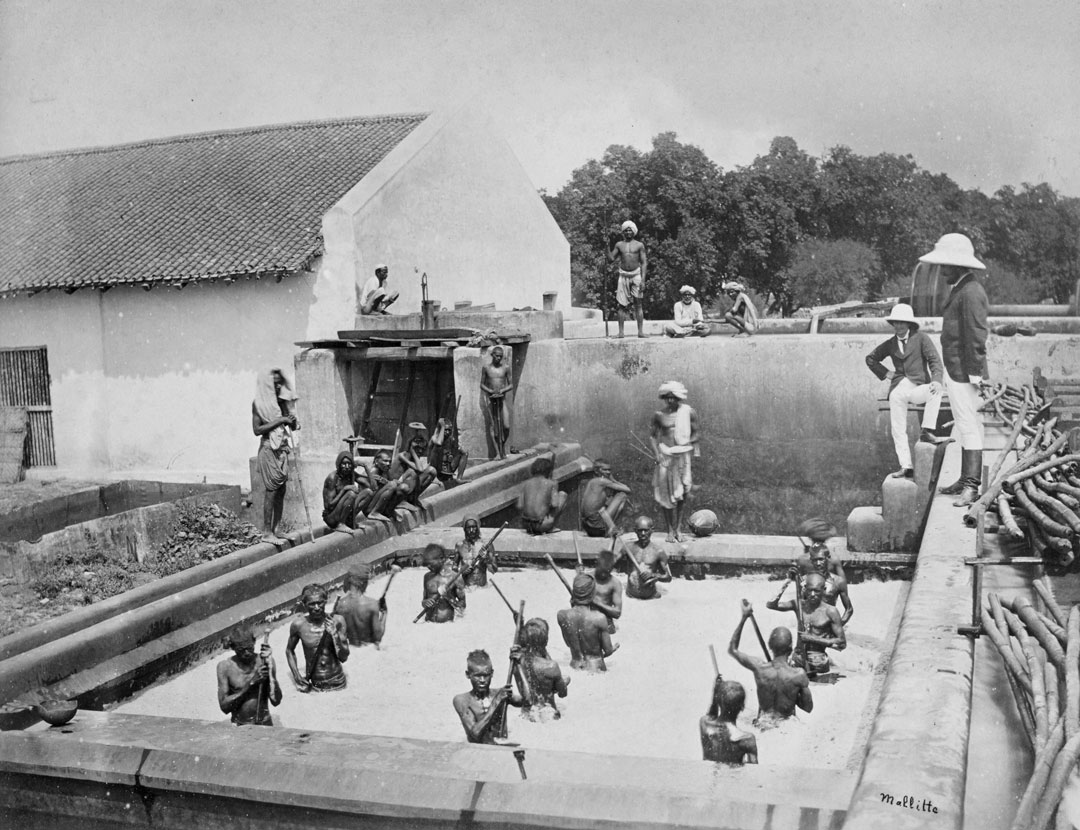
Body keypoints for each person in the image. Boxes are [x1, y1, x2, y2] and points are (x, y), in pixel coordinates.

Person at [921, 233, 990, 507]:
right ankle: (965, 478)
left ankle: (972, 486)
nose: (941, 270)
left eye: (945, 265)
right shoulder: (962, 288)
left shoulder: (971, 292)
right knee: (963, 425)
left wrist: (976, 376)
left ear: (959, 265)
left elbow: (976, 337)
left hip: (965, 372)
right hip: (956, 369)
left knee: (970, 426)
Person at [865, 303, 950, 479]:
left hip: (918, 387)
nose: (899, 326)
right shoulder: (890, 344)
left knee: (936, 390)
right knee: (897, 427)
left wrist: (936, 381)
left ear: (910, 324)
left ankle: (927, 431)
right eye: (896, 322)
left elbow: (935, 362)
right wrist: (886, 373)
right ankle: (905, 466)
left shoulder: (922, 338)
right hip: (899, 388)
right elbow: (871, 359)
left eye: (902, 322)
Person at [728, 601, 813, 727]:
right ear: (790, 649)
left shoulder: (759, 667)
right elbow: (808, 708)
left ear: (770, 647)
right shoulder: (798, 675)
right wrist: (796, 693)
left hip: (763, 723)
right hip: (787, 726)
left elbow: (733, 649)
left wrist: (744, 617)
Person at [766, 573, 846, 678]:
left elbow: (842, 643)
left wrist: (812, 639)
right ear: (805, 589)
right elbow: (771, 605)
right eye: (810, 590)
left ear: (824, 589)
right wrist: (787, 581)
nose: (812, 594)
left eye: (817, 591)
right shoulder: (799, 605)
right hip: (797, 657)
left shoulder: (830, 611)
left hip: (818, 661)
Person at [252, 368, 299, 544]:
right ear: (267, 385)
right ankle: (266, 532)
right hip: (269, 449)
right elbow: (257, 430)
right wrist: (280, 420)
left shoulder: (283, 403)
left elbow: (292, 427)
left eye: (280, 382)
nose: (278, 386)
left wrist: (292, 422)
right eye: (274, 383)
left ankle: (276, 529)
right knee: (271, 490)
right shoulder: (259, 404)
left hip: (282, 449)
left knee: (281, 490)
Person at [650, 381, 699, 542]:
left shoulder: (688, 412)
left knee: (682, 493)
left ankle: (678, 529)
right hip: (665, 456)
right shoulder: (659, 415)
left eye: (674, 397)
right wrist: (658, 454)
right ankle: (669, 530)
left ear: (679, 397)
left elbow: (696, 434)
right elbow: (653, 436)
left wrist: (686, 446)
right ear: (664, 398)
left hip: (682, 457)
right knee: (666, 495)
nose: (671, 401)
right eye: (667, 398)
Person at [285, 584, 349, 692]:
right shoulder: (298, 625)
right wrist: (297, 676)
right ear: (304, 604)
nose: (316, 608)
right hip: (315, 685)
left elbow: (344, 657)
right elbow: (289, 650)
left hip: (338, 683)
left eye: (320, 603)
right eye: (312, 604)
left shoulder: (338, 621)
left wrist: (335, 635)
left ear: (326, 601)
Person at [452, 649, 524, 744]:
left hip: (501, 750)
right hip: (478, 751)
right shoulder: (462, 700)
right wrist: (497, 701)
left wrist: (518, 667)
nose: (482, 680)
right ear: (468, 675)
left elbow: (528, 701)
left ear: (492, 674)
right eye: (478, 676)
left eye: (486, 675)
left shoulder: (501, 693)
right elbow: (475, 734)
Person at [216, 625, 282, 726]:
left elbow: (276, 701)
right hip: (241, 725)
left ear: (254, 641)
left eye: (250, 648)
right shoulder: (225, 667)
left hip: (264, 722)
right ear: (233, 647)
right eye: (241, 650)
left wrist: (270, 670)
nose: (247, 653)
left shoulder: (264, 661)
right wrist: (250, 685)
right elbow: (224, 707)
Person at [556, 573, 619, 671]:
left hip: (575, 666)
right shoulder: (599, 618)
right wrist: (613, 648)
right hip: (595, 669)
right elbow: (608, 650)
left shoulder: (562, 615)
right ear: (592, 594)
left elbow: (568, 643)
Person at [519, 617, 571, 720]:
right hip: (549, 713)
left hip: (527, 713)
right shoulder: (551, 666)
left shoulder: (519, 661)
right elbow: (563, 694)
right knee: (567, 678)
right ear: (546, 640)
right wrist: (563, 682)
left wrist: (520, 626)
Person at [700, 677, 758, 764]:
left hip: (709, 776)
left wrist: (715, 695)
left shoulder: (704, 725)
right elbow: (753, 771)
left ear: (718, 702)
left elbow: (710, 715)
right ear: (742, 707)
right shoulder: (747, 739)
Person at [608, 219, 647, 338]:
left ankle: (640, 332)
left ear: (633, 232)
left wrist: (643, 280)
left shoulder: (639, 245)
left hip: (636, 275)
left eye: (630, 230)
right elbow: (610, 259)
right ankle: (621, 333)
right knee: (621, 305)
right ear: (623, 232)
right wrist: (607, 245)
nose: (628, 232)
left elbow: (644, 262)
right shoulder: (619, 245)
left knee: (638, 304)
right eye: (626, 230)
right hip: (623, 275)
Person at [332, 564, 387, 648]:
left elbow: (339, 633)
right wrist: (384, 613)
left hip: (351, 649)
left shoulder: (340, 604)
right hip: (367, 650)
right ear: (363, 583)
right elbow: (378, 636)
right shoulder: (372, 604)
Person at [622, 515, 673, 600]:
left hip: (651, 595)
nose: (643, 534)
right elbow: (609, 564)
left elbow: (668, 577)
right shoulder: (628, 548)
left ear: (652, 530)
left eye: (646, 530)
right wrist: (613, 539)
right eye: (640, 530)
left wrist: (654, 576)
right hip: (630, 595)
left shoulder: (658, 551)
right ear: (635, 531)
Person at [578, 458, 631, 538]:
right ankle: (611, 530)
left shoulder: (592, 482)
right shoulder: (602, 481)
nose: (608, 472)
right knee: (622, 495)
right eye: (605, 470)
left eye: (609, 470)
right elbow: (628, 489)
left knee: (610, 498)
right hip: (597, 528)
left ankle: (609, 528)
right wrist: (614, 480)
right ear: (596, 471)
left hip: (589, 528)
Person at [322, 451, 373, 532]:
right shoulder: (332, 478)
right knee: (351, 494)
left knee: (368, 493)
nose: (347, 466)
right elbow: (329, 506)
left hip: (344, 514)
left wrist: (365, 467)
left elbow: (372, 486)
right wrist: (344, 489)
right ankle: (341, 524)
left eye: (349, 464)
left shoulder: (351, 474)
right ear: (339, 464)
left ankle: (349, 522)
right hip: (332, 517)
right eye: (344, 464)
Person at [517, 453, 568, 535]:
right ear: (548, 471)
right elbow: (554, 504)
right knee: (563, 495)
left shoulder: (526, 483)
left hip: (526, 525)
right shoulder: (551, 483)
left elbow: (520, 505)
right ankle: (551, 528)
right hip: (542, 525)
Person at [363, 449, 414, 522]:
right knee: (392, 485)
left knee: (403, 488)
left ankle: (389, 511)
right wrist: (390, 483)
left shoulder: (384, 471)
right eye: (385, 461)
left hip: (377, 503)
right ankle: (375, 512)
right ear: (377, 461)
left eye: (389, 461)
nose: (388, 464)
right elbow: (371, 492)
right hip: (369, 508)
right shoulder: (373, 471)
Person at [481, 345, 514, 458]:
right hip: (491, 400)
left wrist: (502, 390)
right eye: (497, 356)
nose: (498, 358)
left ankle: (503, 446)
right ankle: (497, 453)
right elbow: (482, 384)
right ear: (492, 355)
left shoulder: (506, 367)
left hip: (502, 399)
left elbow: (511, 384)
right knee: (493, 426)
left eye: (500, 356)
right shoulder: (486, 368)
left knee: (506, 425)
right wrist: (490, 391)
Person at [395, 423, 438, 508]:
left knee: (431, 471)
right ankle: (402, 502)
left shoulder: (414, 459)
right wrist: (413, 451)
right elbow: (420, 470)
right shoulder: (402, 456)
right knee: (415, 473)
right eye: (417, 449)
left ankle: (413, 499)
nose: (420, 451)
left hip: (404, 486)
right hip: (397, 489)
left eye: (422, 449)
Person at [421, 543, 465, 623]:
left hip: (446, 626)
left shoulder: (455, 577)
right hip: (428, 623)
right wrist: (425, 603)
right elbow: (424, 600)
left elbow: (462, 607)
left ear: (442, 559)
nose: (429, 567)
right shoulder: (427, 577)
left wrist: (448, 597)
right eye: (427, 564)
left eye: (431, 564)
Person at [455, 516, 498, 587]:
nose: (471, 530)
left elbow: (494, 570)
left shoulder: (486, 545)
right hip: (466, 588)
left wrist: (486, 559)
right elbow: (454, 567)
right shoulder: (459, 545)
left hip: (482, 588)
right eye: (468, 527)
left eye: (474, 527)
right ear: (464, 529)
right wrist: (461, 571)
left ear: (478, 527)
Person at [430, 416, 468, 487]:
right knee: (438, 447)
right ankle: (434, 477)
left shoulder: (451, 439)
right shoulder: (434, 437)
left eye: (449, 430)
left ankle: (459, 478)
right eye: (445, 430)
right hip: (436, 470)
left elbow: (456, 450)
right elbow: (439, 443)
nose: (447, 432)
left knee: (464, 452)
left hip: (447, 469)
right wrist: (443, 426)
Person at [590, 550, 623, 633]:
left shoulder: (615, 583)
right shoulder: (587, 578)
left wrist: (598, 603)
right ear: (596, 564)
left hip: (605, 619)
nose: (603, 575)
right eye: (601, 571)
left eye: (607, 572)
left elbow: (617, 613)